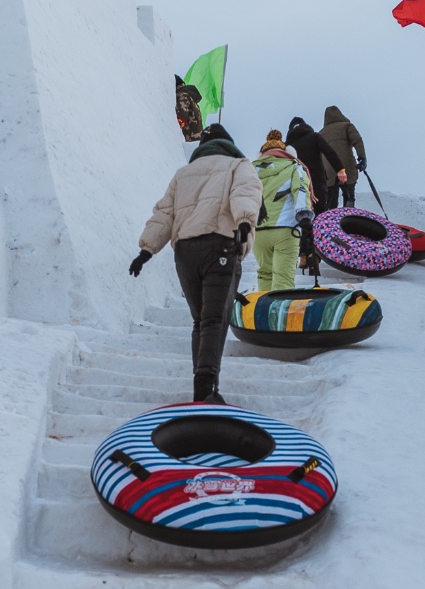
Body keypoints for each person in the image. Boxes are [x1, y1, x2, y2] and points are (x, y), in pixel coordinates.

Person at [129, 123, 262, 404]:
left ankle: (203, 384)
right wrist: (244, 223)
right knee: (215, 319)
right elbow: (245, 195)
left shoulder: (183, 174)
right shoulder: (239, 165)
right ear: (229, 143)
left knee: (200, 321)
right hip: (220, 245)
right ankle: (206, 386)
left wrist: (147, 250)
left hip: (186, 253)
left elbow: (164, 213)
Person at [251, 130, 311, 293]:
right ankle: (279, 315)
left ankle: (262, 315)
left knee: (264, 275)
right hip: (285, 230)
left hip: (258, 232)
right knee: (283, 280)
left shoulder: (250, 170)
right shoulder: (293, 166)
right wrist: (304, 214)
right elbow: (300, 188)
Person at [285, 116, 345, 212]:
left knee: (301, 217)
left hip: (296, 186)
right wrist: (340, 169)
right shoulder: (314, 137)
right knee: (320, 215)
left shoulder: (286, 147)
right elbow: (329, 152)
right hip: (317, 183)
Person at [320, 105, 368, 207]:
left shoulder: (321, 133)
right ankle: (349, 217)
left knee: (331, 202)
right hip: (347, 167)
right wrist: (362, 158)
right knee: (349, 197)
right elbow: (357, 141)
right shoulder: (347, 126)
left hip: (329, 171)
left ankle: (332, 220)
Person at [173, 79, 204, 143]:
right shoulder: (191, 98)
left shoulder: (182, 95)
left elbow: (181, 117)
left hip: (188, 141)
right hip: (196, 141)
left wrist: (173, 130)